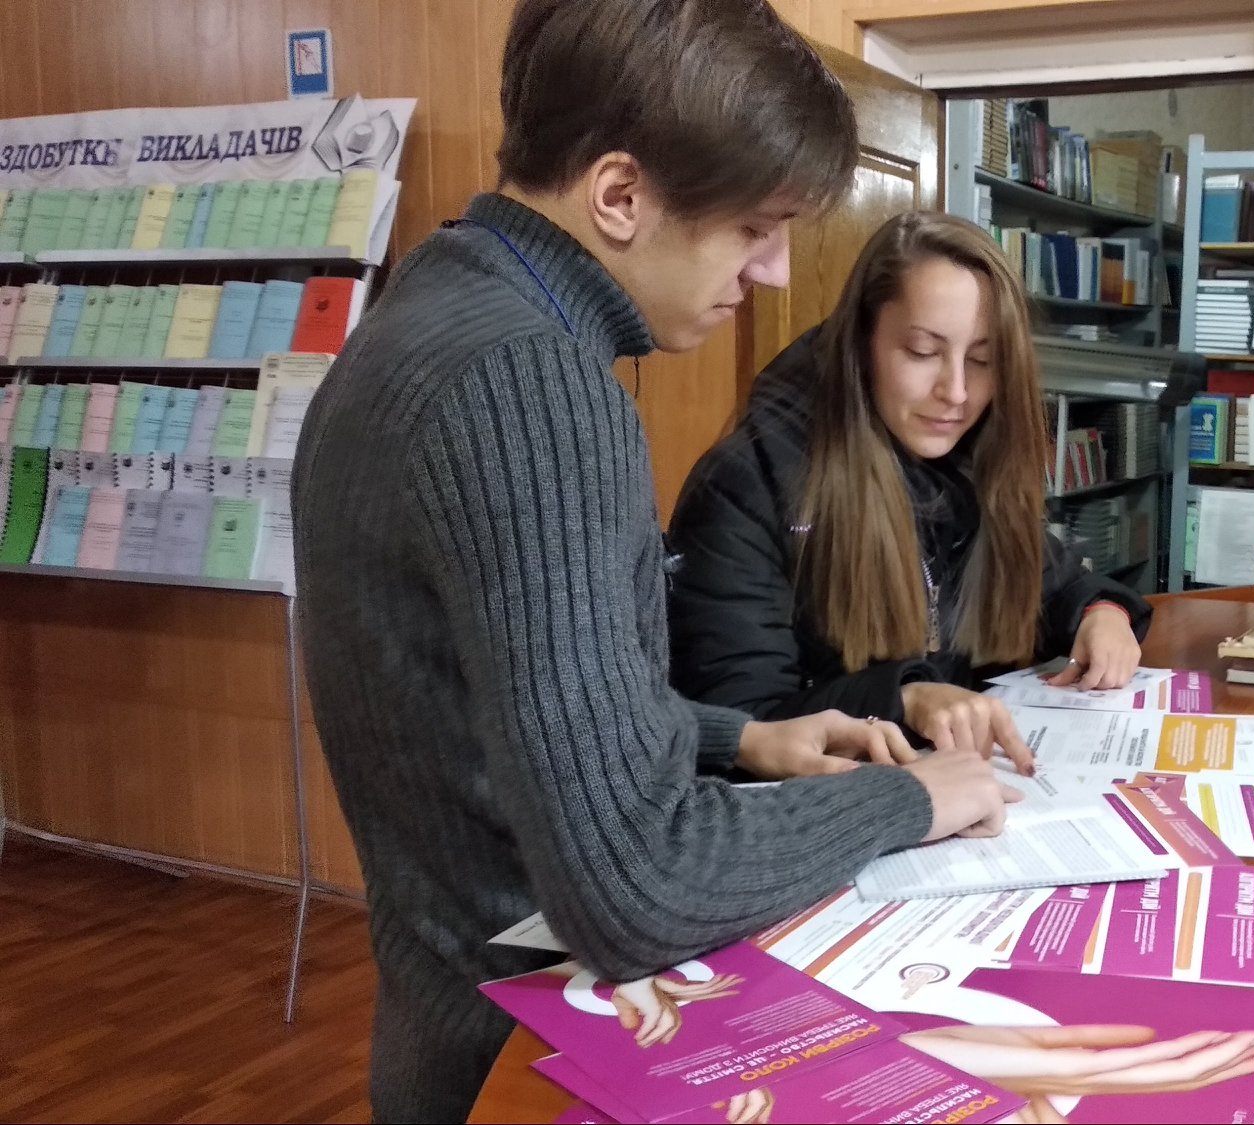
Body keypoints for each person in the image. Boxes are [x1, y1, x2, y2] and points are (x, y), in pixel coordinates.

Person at [291, 4, 1015, 1121]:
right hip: (532, 1049)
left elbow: (506, 706)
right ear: (620, 195)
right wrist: (906, 799)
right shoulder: (532, 385)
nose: (774, 270)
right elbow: (636, 879)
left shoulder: (425, 313)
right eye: (754, 227)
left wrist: (739, 738)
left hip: (447, 1005)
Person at [667, 212, 1151, 760]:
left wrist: (1101, 614)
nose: (957, 391)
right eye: (923, 352)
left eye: (983, 360)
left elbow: (1053, 585)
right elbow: (740, 727)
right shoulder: (744, 487)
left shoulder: (967, 465)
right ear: (861, 342)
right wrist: (903, 698)